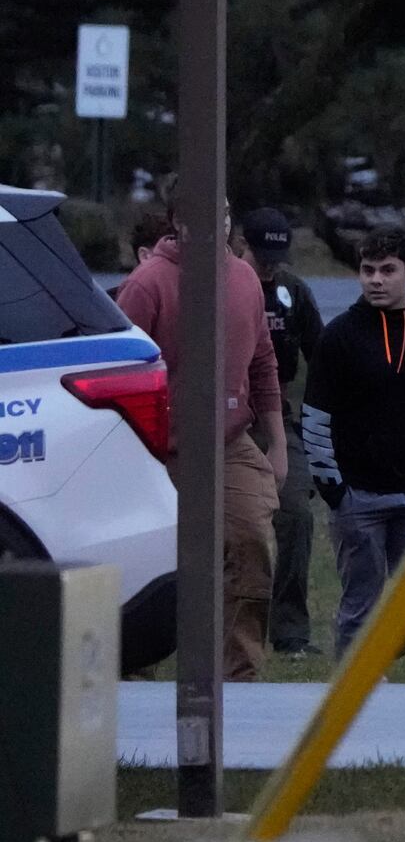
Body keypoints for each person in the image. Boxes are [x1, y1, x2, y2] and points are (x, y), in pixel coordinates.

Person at [116, 190, 287, 682]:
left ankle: (239, 675)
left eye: (226, 214)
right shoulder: (147, 284)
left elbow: (263, 361)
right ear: (177, 222)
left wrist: (275, 442)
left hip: (230, 443)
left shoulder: (244, 277)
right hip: (157, 449)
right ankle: (133, 666)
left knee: (251, 543)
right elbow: (123, 369)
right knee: (153, 562)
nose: (220, 223)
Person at [302, 227, 405, 660]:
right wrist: (334, 489)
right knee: (360, 605)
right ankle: (349, 700)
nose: (375, 280)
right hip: (357, 497)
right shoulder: (338, 337)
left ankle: (375, 660)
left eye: (387, 270)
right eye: (367, 270)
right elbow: (315, 416)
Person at [239, 207, 325, 660]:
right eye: (261, 255)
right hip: (226, 416)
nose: (270, 266)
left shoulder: (293, 292)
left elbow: (322, 357)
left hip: (279, 415)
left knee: (296, 514)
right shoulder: (225, 285)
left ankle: (290, 631)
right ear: (240, 244)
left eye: (277, 256)